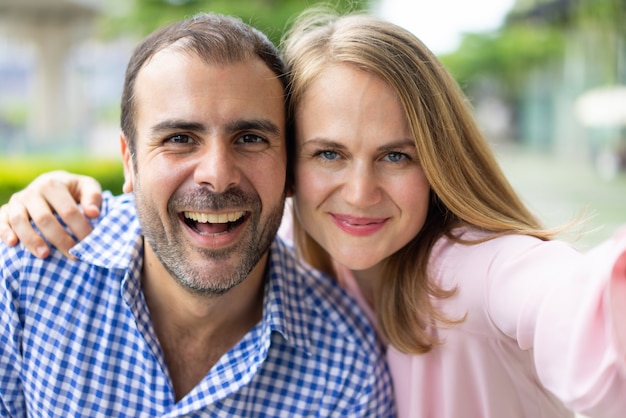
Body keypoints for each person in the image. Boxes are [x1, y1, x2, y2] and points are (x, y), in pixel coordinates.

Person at [3, 9, 626, 418]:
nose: (358, 192)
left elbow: (566, 301)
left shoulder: (475, 271)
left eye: (397, 155)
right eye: (328, 152)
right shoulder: (34, 272)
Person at [0, 12, 395, 417]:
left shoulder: (349, 368)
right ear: (129, 162)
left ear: (290, 170)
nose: (218, 176)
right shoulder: (23, 278)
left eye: (250, 138)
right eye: (180, 139)